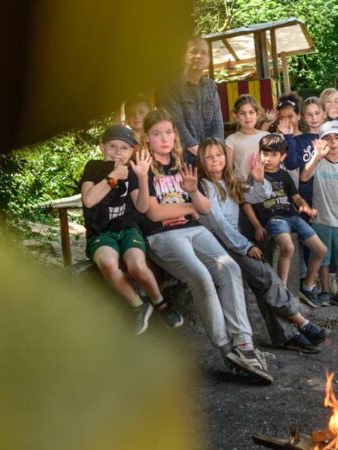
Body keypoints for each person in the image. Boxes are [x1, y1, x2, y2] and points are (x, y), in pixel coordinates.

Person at [137, 109, 272, 384]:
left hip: (194, 229)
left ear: (174, 134)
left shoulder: (183, 161)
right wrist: (187, 207)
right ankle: (226, 349)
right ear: (147, 138)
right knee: (201, 276)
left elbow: (204, 207)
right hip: (162, 236)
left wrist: (192, 192)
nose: (164, 138)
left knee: (230, 268)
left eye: (168, 132)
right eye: (156, 133)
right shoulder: (141, 165)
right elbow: (153, 214)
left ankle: (244, 344)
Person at [196, 138, 330, 353]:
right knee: (265, 276)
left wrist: (259, 180)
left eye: (219, 155)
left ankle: (284, 335)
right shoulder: (203, 186)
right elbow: (218, 224)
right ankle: (300, 322)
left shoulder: (231, 181)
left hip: (235, 240)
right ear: (201, 160)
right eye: (209, 156)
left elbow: (260, 195)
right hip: (220, 242)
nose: (215, 160)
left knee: (264, 280)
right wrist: (245, 246)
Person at [79, 124, 183, 334]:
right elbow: (89, 201)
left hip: (127, 228)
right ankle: (138, 304)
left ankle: (160, 303)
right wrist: (113, 176)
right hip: (101, 232)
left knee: (136, 264)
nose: (118, 152)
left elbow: (143, 206)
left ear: (132, 151)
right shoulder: (93, 167)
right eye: (112, 146)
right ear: (102, 146)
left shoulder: (134, 169)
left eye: (124, 148)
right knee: (108, 263)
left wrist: (143, 177)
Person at [243, 134, 327, 305]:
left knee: (321, 250)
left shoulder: (285, 175)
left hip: (293, 217)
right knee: (287, 247)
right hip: (274, 219)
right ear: (260, 155)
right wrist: (258, 226)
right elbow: (246, 203)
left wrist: (305, 207)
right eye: (265, 154)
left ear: (283, 157)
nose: (268, 158)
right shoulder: (255, 175)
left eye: (274, 155)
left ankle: (308, 286)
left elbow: (296, 198)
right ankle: (282, 290)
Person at [300, 121, 338, 309]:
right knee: (323, 261)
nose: (333, 142)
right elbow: (304, 176)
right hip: (321, 221)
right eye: (327, 138)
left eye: (337, 137)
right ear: (320, 141)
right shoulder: (318, 162)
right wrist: (317, 156)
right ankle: (325, 291)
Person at [157, 36, 224, 165]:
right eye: (193, 51)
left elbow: (217, 123)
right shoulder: (169, 87)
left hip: (209, 160)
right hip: (182, 161)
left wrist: (216, 153)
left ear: (209, 59)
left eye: (204, 52)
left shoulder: (211, 86)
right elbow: (177, 126)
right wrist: (205, 155)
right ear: (183, 57)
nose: (199, 56)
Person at [279, 97, 327, 206]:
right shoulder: (298, 140)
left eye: (317, 113)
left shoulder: (332, 137)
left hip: (330, 194)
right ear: (303, 117)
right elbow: (291, 164)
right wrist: (288, 136)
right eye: (309, 114)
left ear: (324, 114)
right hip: (307, 196)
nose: (314, 118)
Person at [225, 94, 268, 181]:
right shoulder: (231, 140)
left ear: (258, 114)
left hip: (264, 186)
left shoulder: (266, 136)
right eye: (242, 113)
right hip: (241, 187)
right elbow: (228, 169)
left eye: (251, 112)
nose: (247, 117)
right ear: (236, 116)